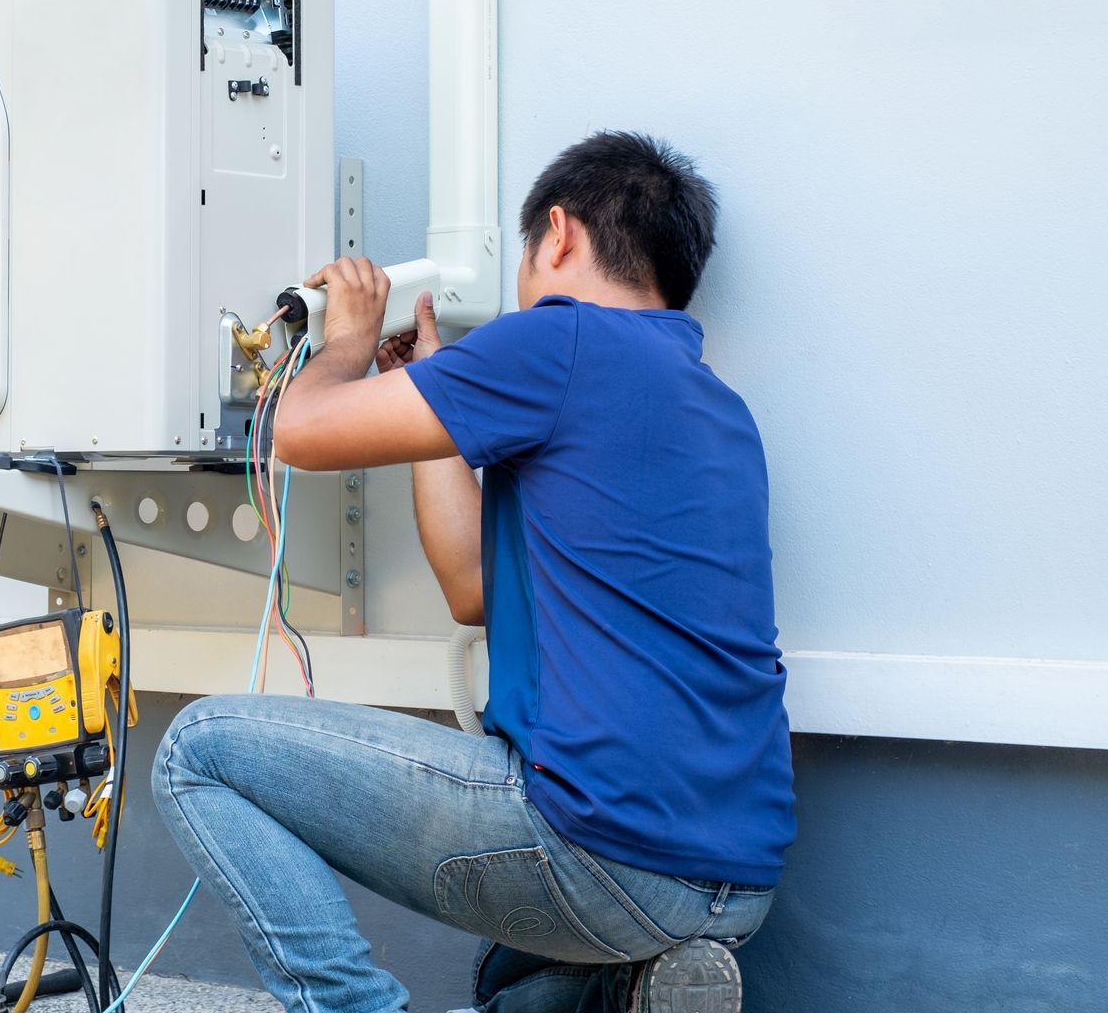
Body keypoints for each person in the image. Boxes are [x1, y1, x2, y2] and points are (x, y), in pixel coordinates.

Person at [151, 132, 794, 1013]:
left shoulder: (556, 343)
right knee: (504, 981)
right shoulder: (715, 409)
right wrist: (435, 395)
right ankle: (640, 992)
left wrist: (345, 342)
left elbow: (298, 434)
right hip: (731, 882)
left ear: (557, 235)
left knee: (197, 751)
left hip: (597, 854)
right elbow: (473, 589)